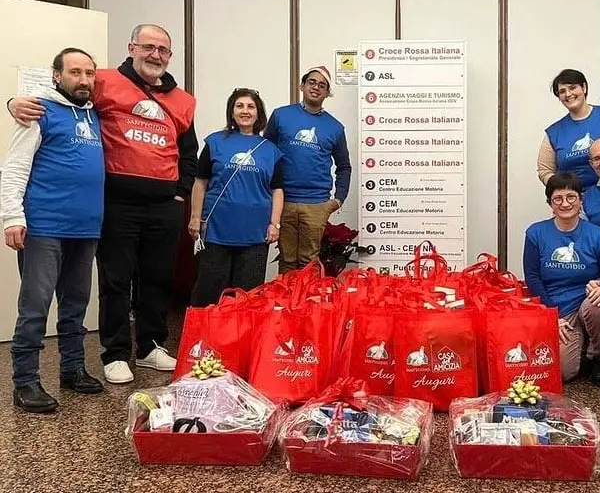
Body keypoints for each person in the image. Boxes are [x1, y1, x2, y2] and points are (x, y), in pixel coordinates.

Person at [8, 24, 198, 384]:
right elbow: (59, 97)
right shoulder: (104, 81)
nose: (155, 54)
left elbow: (189, 150)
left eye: (163, 49)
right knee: (115, 280)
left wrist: (180, 191)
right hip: (115, 203)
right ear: (132, 48)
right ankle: (115, 353)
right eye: (148, 47)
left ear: (170, 56)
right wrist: (13, 102)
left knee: (157, 279)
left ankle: (150, 346)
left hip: (162, 205)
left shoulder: (183, 100)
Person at [2, 48, 105, 412]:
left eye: (90, 73)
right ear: (56, 76)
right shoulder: (39, 113)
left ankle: (73, 368)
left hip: (86, 228)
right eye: (75, 72)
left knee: (75, 305)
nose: (84, 80)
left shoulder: (95, 116)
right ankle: (25, 381)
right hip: (45, 226)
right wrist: (12, 216)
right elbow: (14, 168)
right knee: (35, 307)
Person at [523, 172, 600, 387]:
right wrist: (551, 314)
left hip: (587, 303)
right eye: (558, 199)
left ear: (581, 200)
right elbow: (533, 278)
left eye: (571, 197)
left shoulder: (599, 235)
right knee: (564, 373)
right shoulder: (536, 233)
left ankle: (598, 356)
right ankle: (580, 344)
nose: (565, 203)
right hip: (558, 309)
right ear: (550, 204)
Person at [188, 89, 284, 306]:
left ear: (258, 114)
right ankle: (203, 337)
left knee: (247, 295)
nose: (245, 111)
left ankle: (240, 338)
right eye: (239, 106)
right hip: (216, 231)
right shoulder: (214, 142)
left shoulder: (271, 150)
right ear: (232, 112)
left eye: (251, 107)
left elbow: (277, 189)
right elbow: (200, 182)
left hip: (255, 235)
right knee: (209, 291)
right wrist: (195, 217)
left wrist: (274, 224)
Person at [264, 65, 351, 274]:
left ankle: (307, 305)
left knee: (308, 262)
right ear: (302, 86)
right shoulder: (280, 116)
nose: (316, 87)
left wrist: (337, 199)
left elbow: (344, 166)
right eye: (312, 82)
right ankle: (286, 305)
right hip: (283, 201)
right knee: (286, 260)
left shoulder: (335, 127)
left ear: (327, 93)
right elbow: (265, 154)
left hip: (316, 204)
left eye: (322, 85)